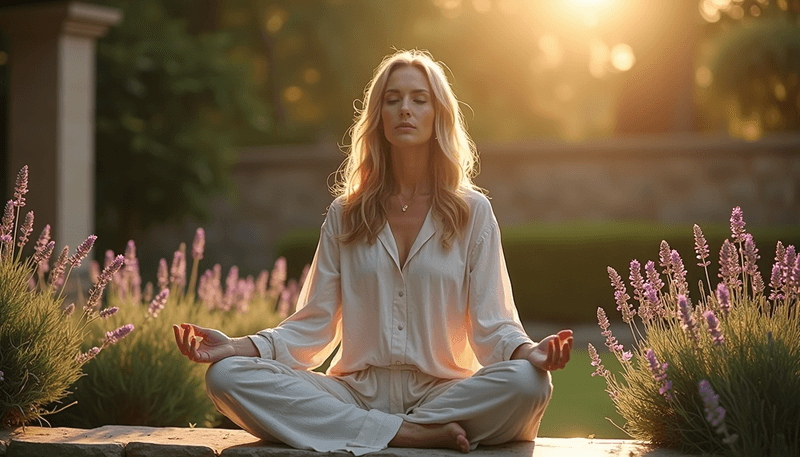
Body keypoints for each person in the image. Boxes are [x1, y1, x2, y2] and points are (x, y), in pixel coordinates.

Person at [173, 49, 573, 455]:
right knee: (226, 377)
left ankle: (372, 430)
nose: (405, 109)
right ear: (378, 115)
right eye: (392, 98)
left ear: (439, 115)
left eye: (419, 99)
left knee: (529, 383)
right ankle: (410, 434)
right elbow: (313, 325)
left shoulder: (473, 213)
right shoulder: (346, 214)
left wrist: (530, 352)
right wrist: (236, 346)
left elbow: (493, 324)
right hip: (354, 392)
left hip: (443, 393)